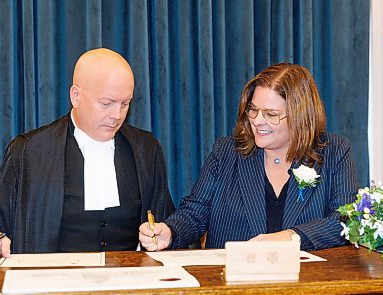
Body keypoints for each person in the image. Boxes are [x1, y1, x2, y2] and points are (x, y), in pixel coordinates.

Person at [0, 48, 174, 272]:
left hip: (130, 292)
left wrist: (165, 235)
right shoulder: (29, 151)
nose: (117, 115)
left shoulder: (146, 149)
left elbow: (167, 224)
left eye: (125, 104)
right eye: (106, 103)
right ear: (76, 96)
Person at [139, 63, 358, 251]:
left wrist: (291, 236)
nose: (257, 121)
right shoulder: (226, 152)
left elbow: (345, 221)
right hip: (235, 290)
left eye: (271, 114)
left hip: (308, 290)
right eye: (253, 110)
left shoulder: (334, 152)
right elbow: (195, 212)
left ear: (301, 117)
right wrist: (170, 232)